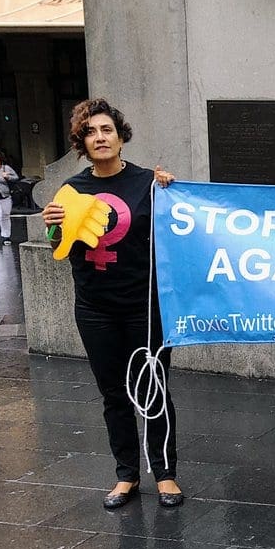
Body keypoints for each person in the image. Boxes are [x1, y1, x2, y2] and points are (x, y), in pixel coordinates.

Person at [40, 98, 183, 510]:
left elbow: (179, 228)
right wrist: (52, 228)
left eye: (106, 130)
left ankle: (165, 473)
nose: (99, 137)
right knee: (113, 394)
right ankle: (127, 475)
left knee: (153, 388)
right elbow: (61, 248)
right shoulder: (70, 191)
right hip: (94, 308)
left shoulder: (150, 184)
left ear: (121, 137)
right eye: (90, 132)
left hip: (145, 305)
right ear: (81, 143)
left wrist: (176, 192)